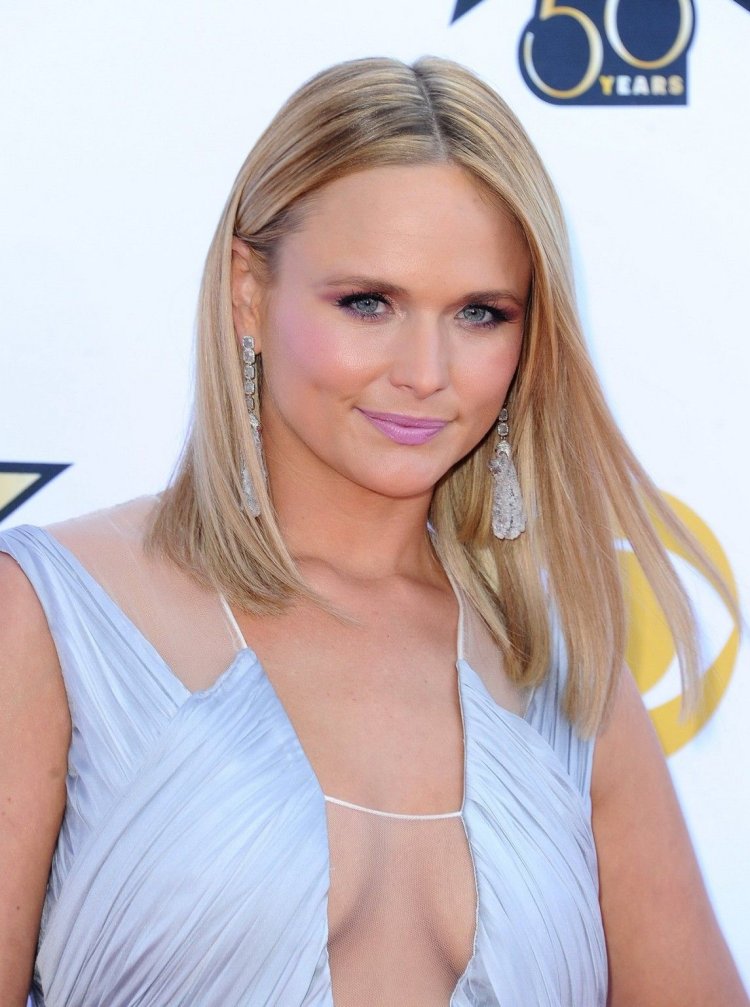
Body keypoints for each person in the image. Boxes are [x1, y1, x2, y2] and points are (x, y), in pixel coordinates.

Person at [0, 55, 746, 1007]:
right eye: (369, 302)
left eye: (480, 313)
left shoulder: (564, 674)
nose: (425, 371)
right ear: (247, 293)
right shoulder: (55, 615)